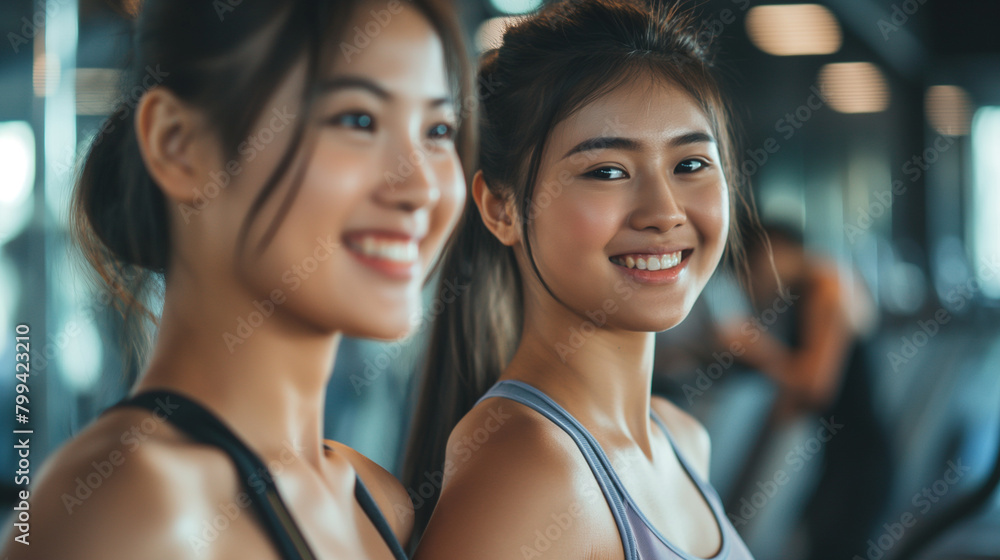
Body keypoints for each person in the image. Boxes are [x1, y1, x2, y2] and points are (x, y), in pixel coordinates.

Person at [1, 1, 474, 558]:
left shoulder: (377, 502)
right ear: (178, 145)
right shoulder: (129, 514)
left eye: (438, 129)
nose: (420, 186)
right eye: (358, 120)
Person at [403, 1, 757, 557]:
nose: (664, 211)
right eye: (607, 171)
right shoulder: (527, 465)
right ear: (500, 209)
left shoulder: (681, 438)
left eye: (690, 165)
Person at [718, 223, 892, 560]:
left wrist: (753, 347)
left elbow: (817, 386)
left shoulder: (825, 287)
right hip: (843, 454)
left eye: (749, 274)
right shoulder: (813, 289)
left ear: (773, 252)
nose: (753, 289)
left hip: (857, 461)